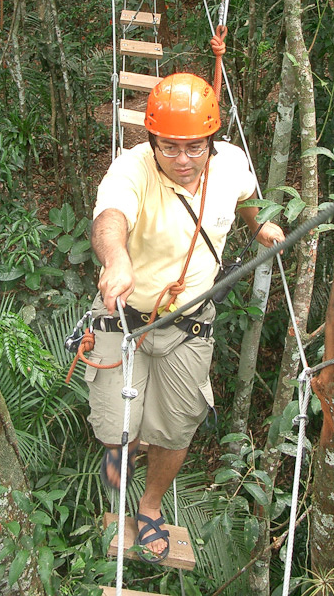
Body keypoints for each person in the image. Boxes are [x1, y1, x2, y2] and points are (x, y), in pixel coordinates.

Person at [86, 73, 284, 563]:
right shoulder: (132, 168)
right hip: (124, 319)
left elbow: (247, 198)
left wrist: (260, 225)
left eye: (194, 148)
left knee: (175, 429)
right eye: (169, 147)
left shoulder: (232, 162)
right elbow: (111, 216)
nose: (182, 160)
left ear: (212, 140)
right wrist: (117, 260)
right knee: (116, 429)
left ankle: (149, 506)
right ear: (151, 140)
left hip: (190, 325)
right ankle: (123, 455)